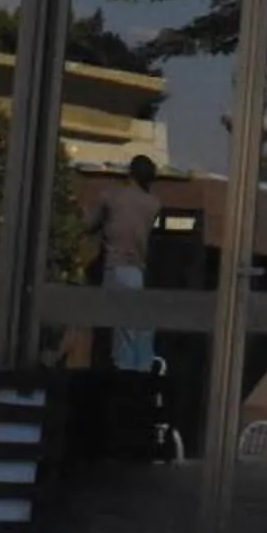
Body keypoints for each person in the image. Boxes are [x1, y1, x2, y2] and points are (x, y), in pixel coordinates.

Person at [89, 156, 165, 373]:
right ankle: (140, 373)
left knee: (121, 328)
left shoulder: (111, 197)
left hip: (115, 265)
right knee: (137, 326)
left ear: (130, 174)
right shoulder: (153, 204)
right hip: (137, 269)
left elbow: (89, 223)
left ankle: (124, 375)